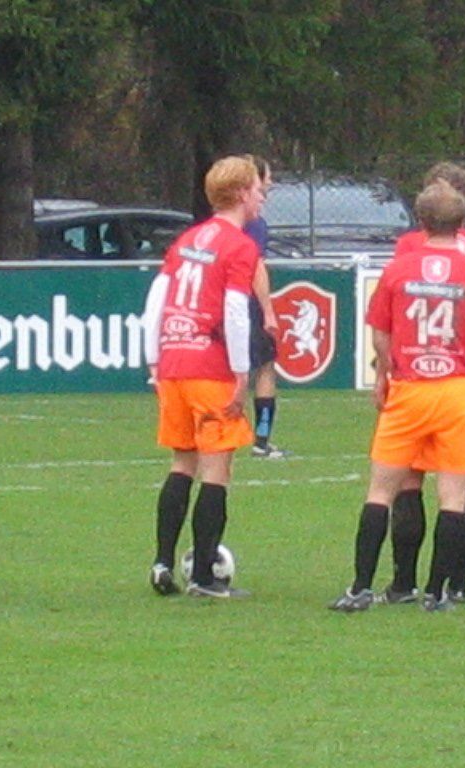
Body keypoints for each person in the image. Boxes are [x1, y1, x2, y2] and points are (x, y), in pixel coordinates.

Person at [329, 181, 465, 612]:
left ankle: (360, 588)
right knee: (454, 495)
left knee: (380, 491)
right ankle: (437, 593)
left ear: (421, 222)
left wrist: (385, 374)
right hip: (458, 390)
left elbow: (380, 332)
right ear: (462, 222)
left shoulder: (397, 270)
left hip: (409, 389)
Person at [384, 161, 465, 605]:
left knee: (408, 479)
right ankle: (454, 585)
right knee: (462, 484)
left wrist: (386, 372)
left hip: (416, 380)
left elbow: (391, 314)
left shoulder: (409, 247)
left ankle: (404, 583)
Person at [143, 154, 264, 598]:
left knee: (182, 462)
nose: (262, 198)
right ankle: (203, 577)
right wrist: (241, 372)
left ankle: (162, 563)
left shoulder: (188, 239)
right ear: (241, 194)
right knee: (217, 469)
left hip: (174, 363)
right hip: (210, 368)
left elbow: (157, 298)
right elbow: (234, 309)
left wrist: (153, 356)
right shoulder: (239, 246)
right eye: (258, 190)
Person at [244, 156, 286, 458]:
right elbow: (255, 265)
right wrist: (268, 310)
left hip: (221, 302)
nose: (270, 182)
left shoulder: (216, 223)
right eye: (267, 176)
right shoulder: (254, 223)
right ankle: (261, 439)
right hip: (246, 303)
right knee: (265, 368)